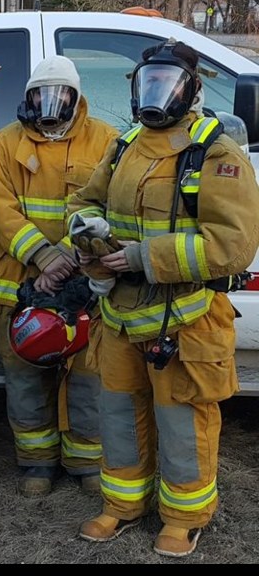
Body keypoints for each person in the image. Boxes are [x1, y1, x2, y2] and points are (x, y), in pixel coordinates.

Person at [68, 40, 259, 557]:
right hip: (120, 317)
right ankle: (123, 505)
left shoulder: (215, 153)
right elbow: (83, 200)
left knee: (182, 422)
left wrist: (142, 258)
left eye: (168, 84)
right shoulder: (125, 144)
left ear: (192, 90)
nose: (157, 96)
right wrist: (87, 235)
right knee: (119, 415)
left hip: (184, 321)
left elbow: (232, 246)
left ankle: (184, 517)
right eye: (149, 83)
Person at [0, 55, 120, 497]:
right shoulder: (6, 142)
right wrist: (43, 256)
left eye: (60, 94)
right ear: (28, 98)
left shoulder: (107, 140)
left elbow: (108, 205)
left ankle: (85, 464)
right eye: (41, 94)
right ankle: (36, 464)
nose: (50, 104)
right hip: (19, 280)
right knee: (24, 376)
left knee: (87, 374)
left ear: (77, 97)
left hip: (82, 279)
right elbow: (1, 209)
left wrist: (67, 256)